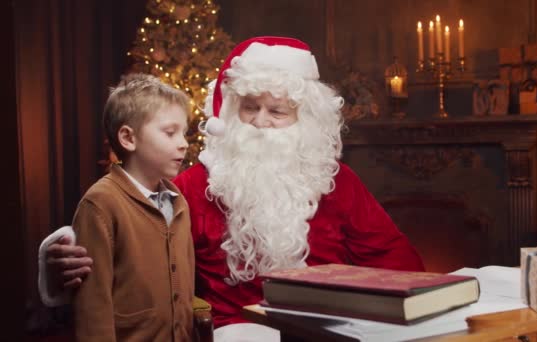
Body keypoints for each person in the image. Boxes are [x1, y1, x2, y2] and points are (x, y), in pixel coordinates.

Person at [39, 36, 424, 341]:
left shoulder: (335, 181)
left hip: (330, 326)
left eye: (277, 112)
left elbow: (395, 259)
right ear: (229, 112)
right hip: (236, 329)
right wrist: (63, 264)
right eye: (249, 107)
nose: (259, 122)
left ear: (303, 119)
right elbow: (135, 251)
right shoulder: (193, 186)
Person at [52, 73, 195, 341]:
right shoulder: (101, 204)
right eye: (170, 132)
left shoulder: (179, 204)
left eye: (184, 132)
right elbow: (92, 307)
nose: (184, 143)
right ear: (129, 138)